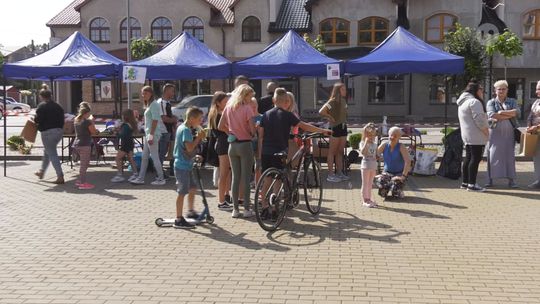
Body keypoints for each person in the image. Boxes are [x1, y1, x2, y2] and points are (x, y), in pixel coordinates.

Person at [257, 88, 331, 218]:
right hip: (280, 151)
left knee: (267, 178)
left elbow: (261, 136)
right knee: (278, 179)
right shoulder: (287, 115)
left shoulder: (266, 115)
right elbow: (304, 126)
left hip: (266, 152)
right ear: (286, 102)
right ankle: (274, 208)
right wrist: (323, 131)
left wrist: (260, 152)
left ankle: (263, 207)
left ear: (274, 100)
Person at [218, 84, 258, 218]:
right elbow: (252, 130)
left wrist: (230, 131)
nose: (251, 99)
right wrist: (252, 132)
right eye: (250, 96)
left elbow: (220, 125)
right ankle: (246, 209)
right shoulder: (247, 109)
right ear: (245, 95)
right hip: (245, 144)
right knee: (246, 178)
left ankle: (235, 209)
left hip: (232, 145)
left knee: (235, 177)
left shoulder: (228, 107)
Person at [171, 106, 206, 228]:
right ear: (191, 118)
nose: (201, 121)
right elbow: (189, 147)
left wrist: (195, 156)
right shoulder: (185, 130)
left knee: (192, 187)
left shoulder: (182, 127)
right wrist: (199, 138)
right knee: (182, 191)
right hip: (182, 166)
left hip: (186, 165)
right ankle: (179, 218)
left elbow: (187, 149)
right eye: (199, 119)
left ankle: (190, 211)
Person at [485, 80, 520, 188]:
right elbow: (492, 115)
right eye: (499, 89)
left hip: (509, 132)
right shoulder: (491, 102)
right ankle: (490, 180)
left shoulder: (512, 101)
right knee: (492, 155)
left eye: (503, 89)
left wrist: (501, 113)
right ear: (495, 90)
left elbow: (517, 112)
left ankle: (512, 181)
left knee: (510, 155)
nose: (501, 91)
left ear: (507, 90)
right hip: (495, 132)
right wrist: (509, 114)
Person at [456, 80, 489, 192]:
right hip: (476, 135)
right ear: (476, 90)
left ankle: (465, 183)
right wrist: (486, 131)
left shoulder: (463, 102)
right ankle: (472, 184)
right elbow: (479, 120)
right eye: (481, 89)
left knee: (469, 158)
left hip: (467, 135)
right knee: (475, 159)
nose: (482, 92)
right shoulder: (474, 102)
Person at [131, 86, 166, 186]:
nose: (143, 95)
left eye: (145, 93)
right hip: (149, 134)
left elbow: (155, 120)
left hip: (152, 135)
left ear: (151, 93)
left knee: (155, 157)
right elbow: (151, 120)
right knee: (144, 157)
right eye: (142, 93)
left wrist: (151, 135)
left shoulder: (154, 104)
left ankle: (161, 178)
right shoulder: (150, 104)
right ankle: (141, 178)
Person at [33, 87, 65, 184]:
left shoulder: (42, 106)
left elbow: (38, 120)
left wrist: (34, 119)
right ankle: (41, 172)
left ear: (41, 96)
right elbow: (63, 119)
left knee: (52, 153)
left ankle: (60, 176)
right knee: (48, 151)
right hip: (59, 132)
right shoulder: (58, 106)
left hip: (47, 133)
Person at [207, 91, 233, 210]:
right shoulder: (218, 114)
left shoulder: (217, 113)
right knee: (223, 174)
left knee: (227, 172)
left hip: (223, 143)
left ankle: (226, 196)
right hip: (223, 144)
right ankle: (221, 201)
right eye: (225, 101)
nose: (227, 103)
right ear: (218, 103)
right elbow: (224, 129)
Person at [319, 82, 349, 182]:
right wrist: (330, 116)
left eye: (345, 89)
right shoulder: (332, 102)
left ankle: (339, 173)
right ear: (338, 91)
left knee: (340, 152)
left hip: (344, 128)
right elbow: (321, 111)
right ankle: (330, 175)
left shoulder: (344, 101)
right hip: (335, 128)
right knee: (332, 152)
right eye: (343, 89)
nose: (345, 91)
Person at [375, 126, 411, 199]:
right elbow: (374, 158)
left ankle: (399, 190)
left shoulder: (401, 147)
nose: (392, 137)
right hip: (387, 172)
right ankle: (386, 190)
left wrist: (403, 176)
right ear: (388, 135)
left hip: (399, 173)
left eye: (395, 136)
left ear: (399, 137)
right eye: (391, 135)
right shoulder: (384, 145)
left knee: (396, 191)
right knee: (382, 192)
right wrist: (376, 173)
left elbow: (408, 162)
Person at [73, 103, 99, 189]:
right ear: (87, 113)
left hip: (77, 143)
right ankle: (82, 183)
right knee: (84, 164)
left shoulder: (76, 120)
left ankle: (80, 180)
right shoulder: (87, 121)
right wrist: (92, 121)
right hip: (85, 144)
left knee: (83, 164)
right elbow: (94, 132)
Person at [111, 109, 139, 183]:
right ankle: (135, 174)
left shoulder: (125, 125)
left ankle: (120, 175)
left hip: (125, 144)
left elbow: (123, 134)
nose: (122, 116)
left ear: (125, 116)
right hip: (130, 143)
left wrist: (117, 133)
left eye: (123, 115)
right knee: (131, 159)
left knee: (117, 158)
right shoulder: (131, 124)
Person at [158, 83, 178, 177]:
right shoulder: (161, 103)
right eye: (172, 91)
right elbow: (164, 118)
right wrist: (174, 120)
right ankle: (159, 173)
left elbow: (169, 116)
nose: (173, 93)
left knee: (172, 151)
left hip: (169, 131)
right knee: (162, 152)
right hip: (163, 131)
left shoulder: (168, 103)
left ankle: (171, 170)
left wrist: (174, 120)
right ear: (166, 91)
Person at [360, 123, 379, 207]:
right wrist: (366, 143)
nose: (372, 137)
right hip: (365, 165)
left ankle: (369, 199)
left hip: (373, 166)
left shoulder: (375, 144)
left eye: (373, 135)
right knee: (365, 183)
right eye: (370, 135)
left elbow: (375, 155)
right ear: (365, 135)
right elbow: (363, 152)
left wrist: (378, 158)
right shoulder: (363, 143)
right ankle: (365, 200)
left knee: (370, 183)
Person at [526, 80, 540, 189]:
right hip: (536, 134)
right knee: (537, 158)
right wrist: (529, 125)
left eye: (539, 88)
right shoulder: (536, 102)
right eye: (536, 88)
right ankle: (538, 180)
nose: (537, 91)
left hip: (538, 129)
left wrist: (537, 126)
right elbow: (530, 115)